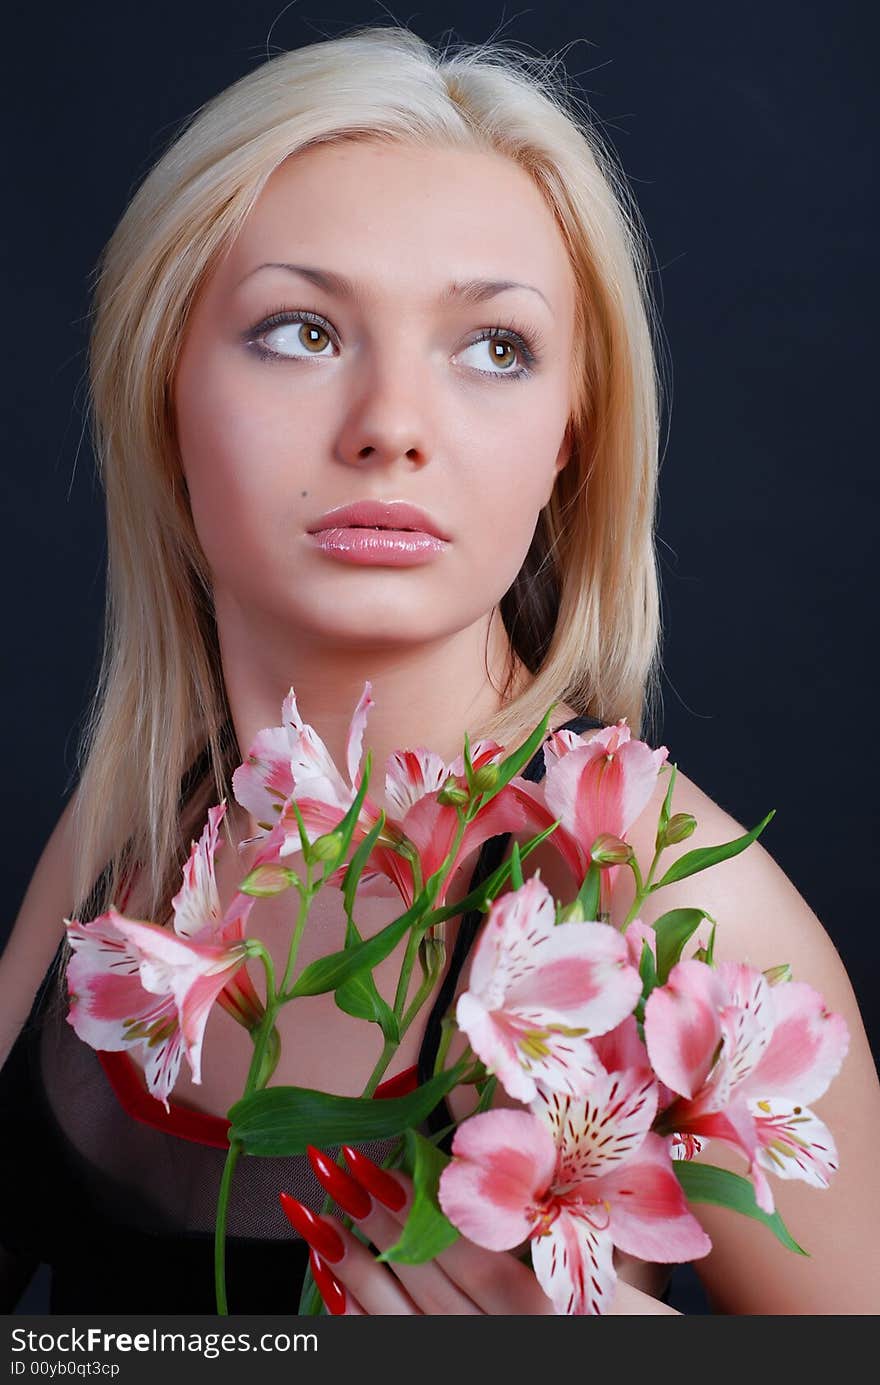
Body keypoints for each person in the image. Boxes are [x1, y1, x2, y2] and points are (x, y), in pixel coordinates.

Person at [1, 23, 877, 1316]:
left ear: (573, 433)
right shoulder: (135, 821)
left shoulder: (676, 912)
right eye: (300, 330)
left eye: (493, 347)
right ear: (162, 387)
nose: (392, 429)